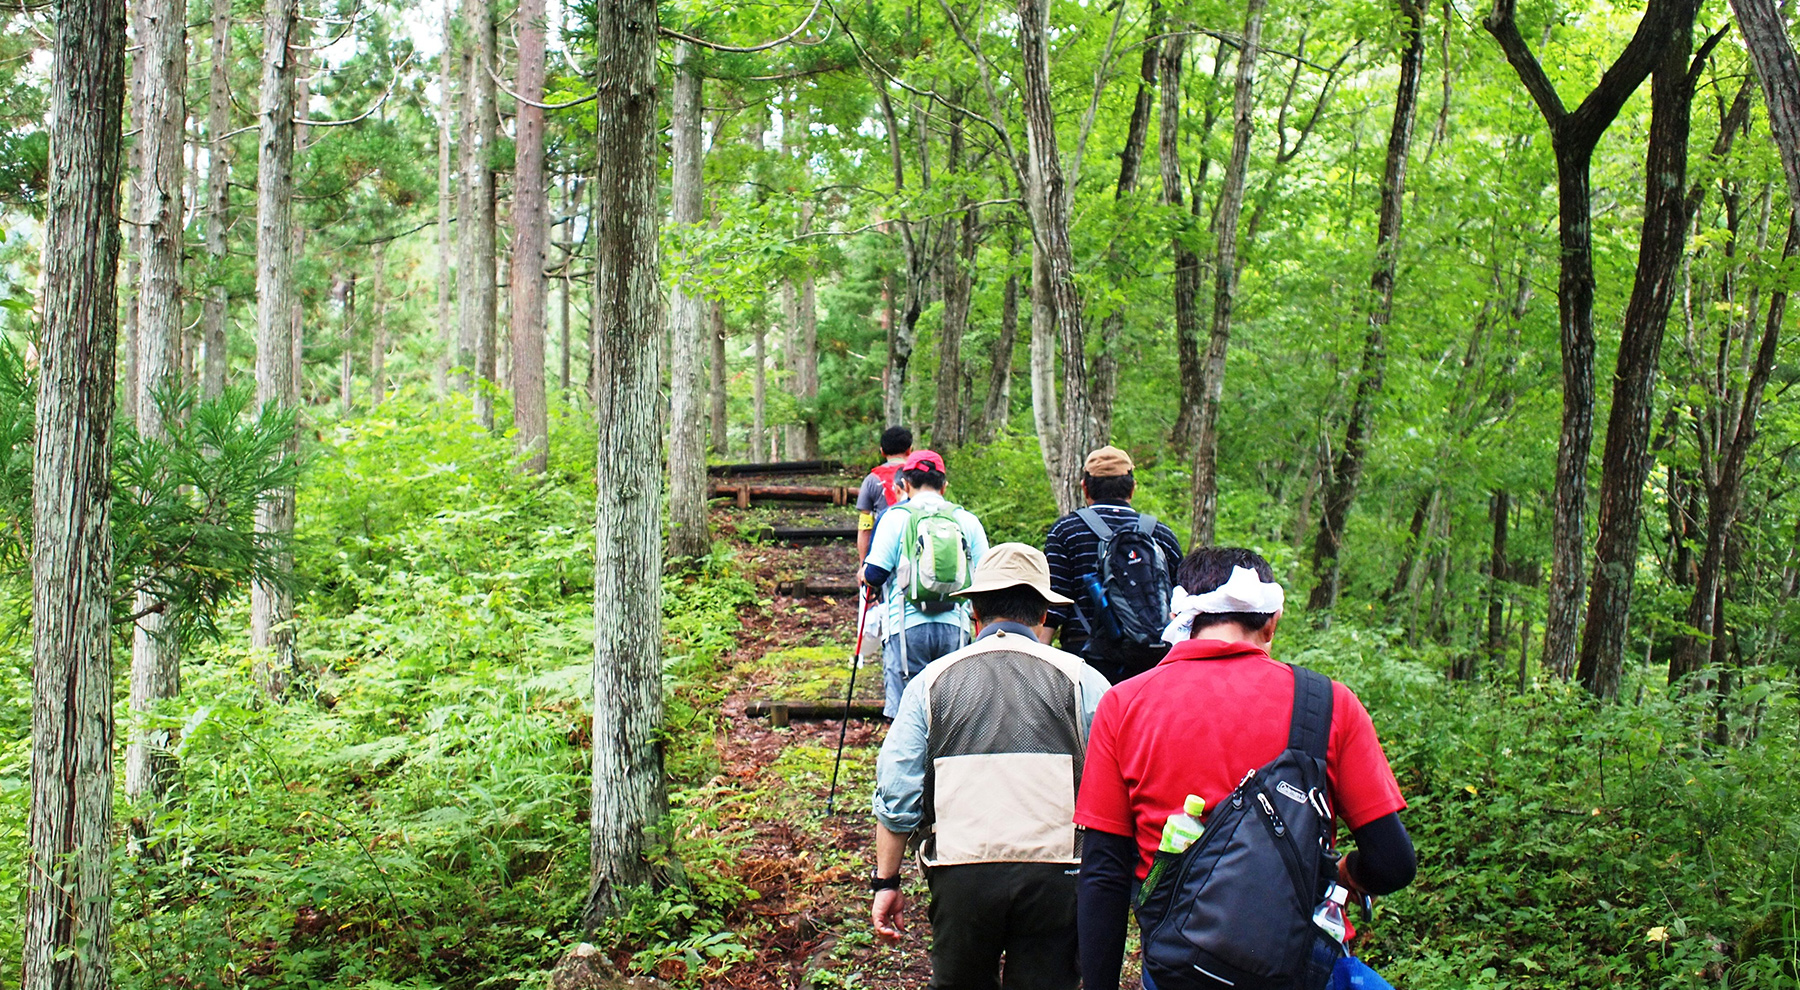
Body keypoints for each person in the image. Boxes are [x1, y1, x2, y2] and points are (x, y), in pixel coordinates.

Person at [1074, 547, 1417, 990]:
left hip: (1179, 967)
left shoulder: (1123, 704)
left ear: (1181, 615)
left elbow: (1103, 873)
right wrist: (1348, 874)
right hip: (1296, 965)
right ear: (1272, 620)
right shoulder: (1329, 704)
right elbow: (1393, 863)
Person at [871, 543, 1113, 990]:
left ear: (973, 613)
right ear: (1043, 616)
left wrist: (885, 881)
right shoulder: (1084, 679)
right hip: (1057, 873)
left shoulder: (931, 682)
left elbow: (897, 792)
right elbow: (1111, 787)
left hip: (961, 873)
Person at [861, 449, 988, 717]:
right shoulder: (966, 520)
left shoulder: (895, 518)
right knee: (950, 714)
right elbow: (986, 576)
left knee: (907, 716)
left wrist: (863, 574)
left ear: (905, 483)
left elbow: (875, 575)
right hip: (954, 626)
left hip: (906, 628)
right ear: (944, 486)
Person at [1042, 445, 1182, 683]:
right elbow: (1181, 604)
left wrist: (1038, 662)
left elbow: (1055, 606)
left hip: (1084, 660)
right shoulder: (1161, 534)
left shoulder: (1065, 532)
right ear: (1132, 488)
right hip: (1150, 661)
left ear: (1085, 487)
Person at [857, 426, 914, 567]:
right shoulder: (919, 476)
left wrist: (863, 565)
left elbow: (865, 527)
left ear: (882, 451)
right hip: (916, 550)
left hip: (881, 554)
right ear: (909, 450)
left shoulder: (871, 480)